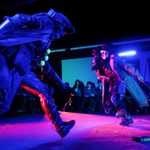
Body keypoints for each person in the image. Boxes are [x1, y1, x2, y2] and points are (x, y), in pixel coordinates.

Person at [0, 8, 76, 138]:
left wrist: (61, 84)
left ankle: (61, 126)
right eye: (63, 31)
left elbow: (44, 65)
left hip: (22, 66)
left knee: (44, 91)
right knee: (2, 103)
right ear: (59, 24)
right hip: (11, 60)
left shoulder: (46, 37)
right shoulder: (46, 23)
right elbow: (19, 18)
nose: (62, 35)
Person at [92, 43, 149, 126]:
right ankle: (120, 111)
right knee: (107, 102)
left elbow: (126, 66)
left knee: (114, 98)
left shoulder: (115, 59)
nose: (103, 54)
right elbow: (99, 75)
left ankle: (127, 117)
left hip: (118, 81)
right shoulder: (100, 63)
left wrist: (137, 74)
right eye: (102, 53)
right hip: (109, 83)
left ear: (109, 52)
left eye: (105, 52)